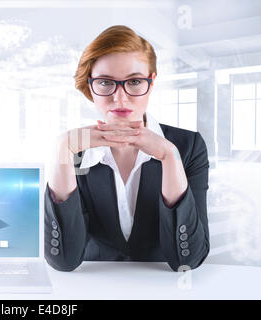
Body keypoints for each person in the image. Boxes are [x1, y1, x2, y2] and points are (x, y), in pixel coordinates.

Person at [45, 25, 210, 272]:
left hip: (164, 289)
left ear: (151, 82)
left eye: (134, 81)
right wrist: (61, 148)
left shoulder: (188, 146)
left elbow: (187, 261)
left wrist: (169, 156)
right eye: (105, 82)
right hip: (93, 288)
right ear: (91, 85)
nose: (120, 98)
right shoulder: (74, 151)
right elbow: (64, 261)